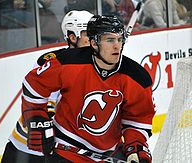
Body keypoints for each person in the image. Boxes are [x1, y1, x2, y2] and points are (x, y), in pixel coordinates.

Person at [19, 15, 155, 162]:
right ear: (94, 43)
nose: (117, 46)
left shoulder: (138, 77)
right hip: (66, 148)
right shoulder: (68, 62)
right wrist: (37, 117)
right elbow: (33, 84)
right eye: (110, 40)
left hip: (108, 152)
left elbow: (137, 120)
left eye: (120, 39)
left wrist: (135, 145)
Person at [0, 10, 93, 163]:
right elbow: (45, 104)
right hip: (28, 146)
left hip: (59, 148)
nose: (93, 40)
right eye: (87, 34)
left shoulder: (96, 66)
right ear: (72, 37)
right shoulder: (53, 62)